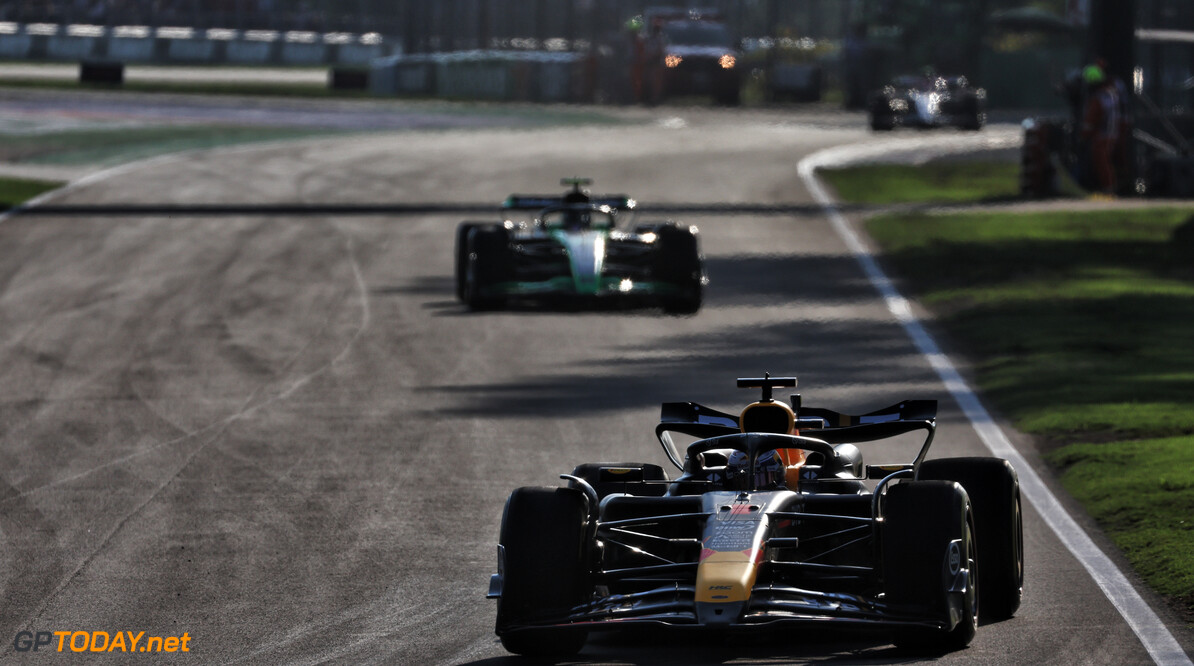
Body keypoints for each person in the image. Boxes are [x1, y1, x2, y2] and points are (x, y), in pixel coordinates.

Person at [1081, 64, 1120, 197]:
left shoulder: (1098, 98)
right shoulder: (1110, 93)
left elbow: (1091, 120)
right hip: (1111, 133)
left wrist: (1084, 135)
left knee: (1102, 162)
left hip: (1102, 135)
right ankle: (1109, 187)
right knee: (1106, 162)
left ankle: (1108, 189)